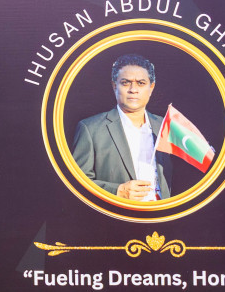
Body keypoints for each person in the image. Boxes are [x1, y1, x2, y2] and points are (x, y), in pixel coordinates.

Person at [71, 54, 173, 201]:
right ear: (114, 86)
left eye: (141, 83)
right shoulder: (90, 129)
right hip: (115, 219)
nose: (133, 89)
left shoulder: (165, 125)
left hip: (161, 218)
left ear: (151, 88)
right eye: (125, 83)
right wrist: (116, 191)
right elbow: (76, 183)